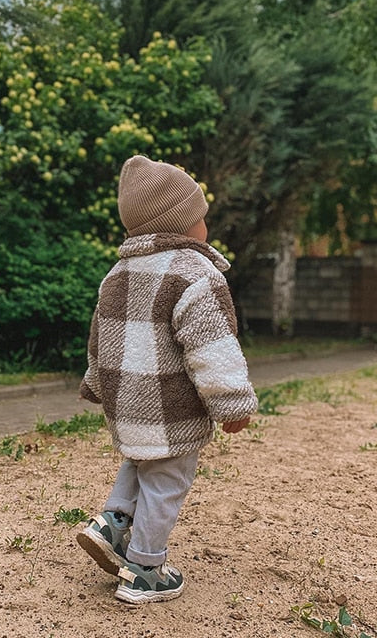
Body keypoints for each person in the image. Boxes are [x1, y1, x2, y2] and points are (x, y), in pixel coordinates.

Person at [77, 154, 258, 604]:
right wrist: (233, 402)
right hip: (171, 407)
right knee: (167, 480)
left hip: (127, 405)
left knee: (140, 461)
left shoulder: (117, 275)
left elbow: (102, 339)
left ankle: (113, 522)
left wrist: (96, 384)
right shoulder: (195, 275)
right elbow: (212, 346)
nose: (206, 227)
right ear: (179, 225)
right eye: (201, 218)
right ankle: (144, 568)